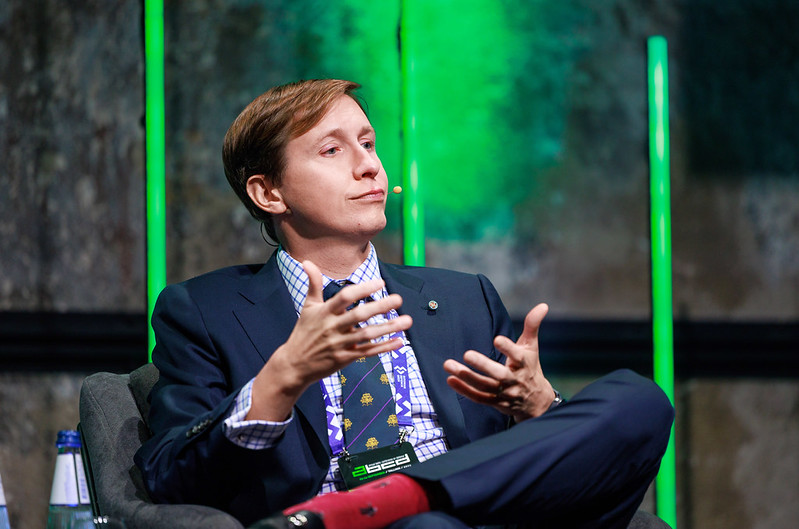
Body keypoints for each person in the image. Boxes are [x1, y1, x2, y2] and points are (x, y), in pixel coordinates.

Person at [135, 79, 674, 529]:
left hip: (487, 519)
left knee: (640, 399)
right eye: (332, 150)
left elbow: (527, 465)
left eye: (368, 144)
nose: (369, 166)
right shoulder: (205, 310)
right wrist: (282, 378)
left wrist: (540, 407)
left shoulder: (465, 298)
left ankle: (404, 495)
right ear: (268, 193)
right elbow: (167, 477)